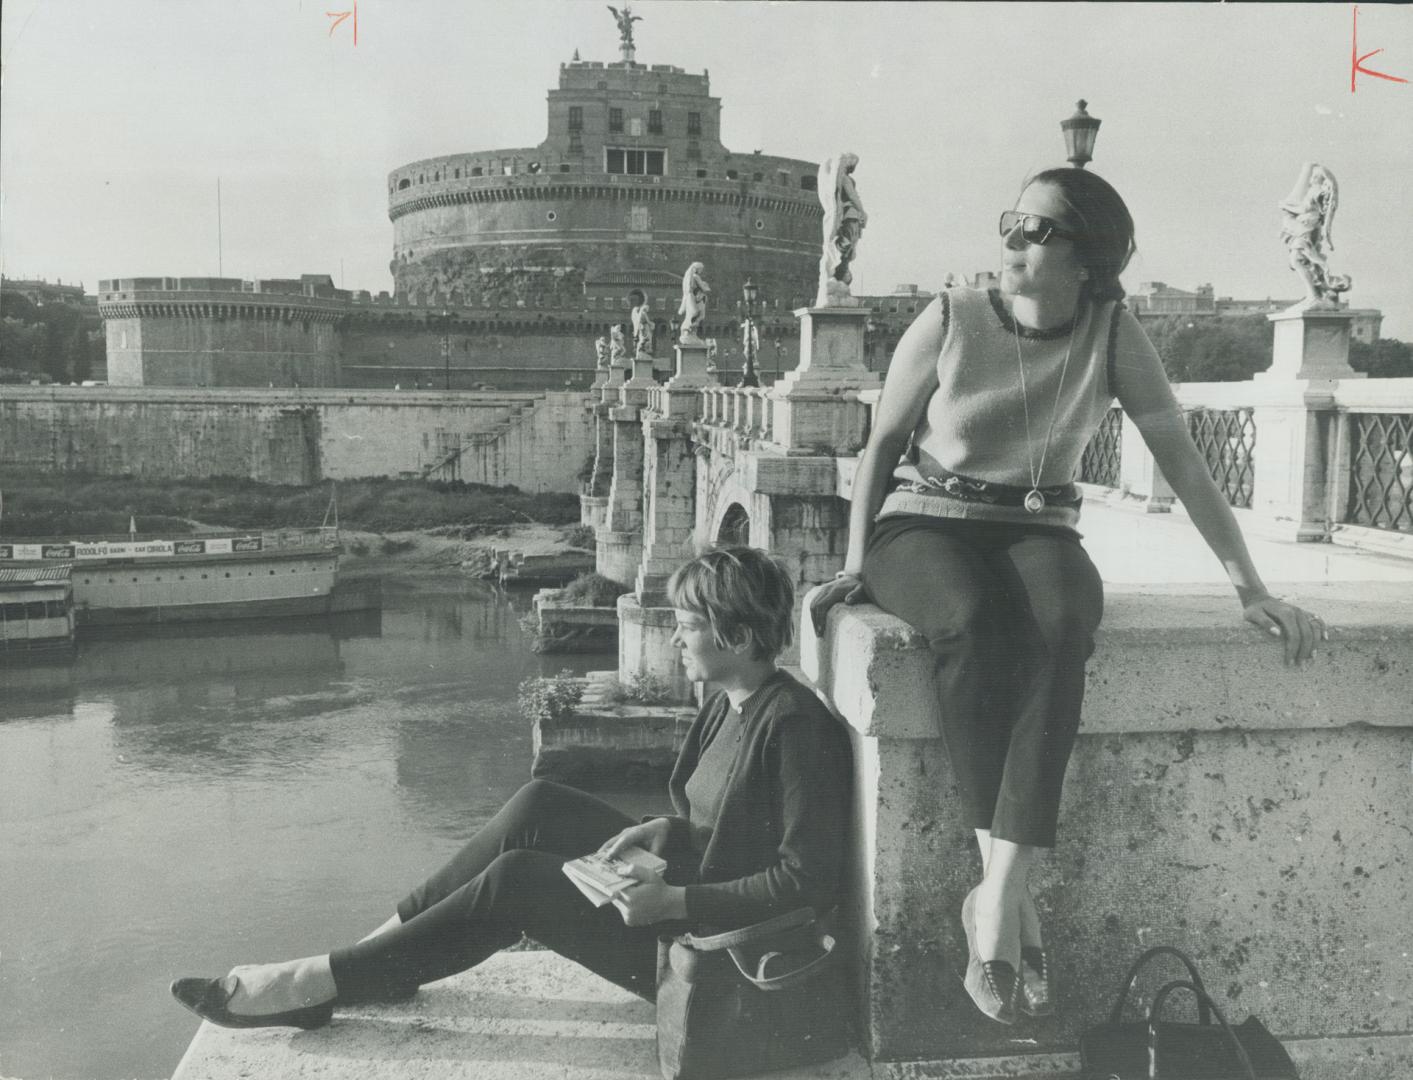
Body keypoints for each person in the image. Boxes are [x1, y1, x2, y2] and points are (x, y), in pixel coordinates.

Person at [809, 167, 1325, 1026]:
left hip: (1038, 526)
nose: (1011, 241)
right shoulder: (949, 316)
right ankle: (1008, 911)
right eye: (1009, 222)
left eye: (1035, 231)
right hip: (921, 523)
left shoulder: (1111, 329)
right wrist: (858, 562)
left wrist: (1251, 588)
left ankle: (994, 896)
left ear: (1087, 262)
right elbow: (882, 445)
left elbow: (1182, 462)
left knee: (1061, 626)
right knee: (969, 622)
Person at [171, 546, 852, 1030]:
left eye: (687, 625)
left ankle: (314, 984)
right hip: (696, 903)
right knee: (538, 805)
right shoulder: (730, 699)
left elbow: (809, 879)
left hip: (723, 959)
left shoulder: (793, 726)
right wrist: (664, 830)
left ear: (735, 634)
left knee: (520, 881)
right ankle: (376, 957)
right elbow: (726, 824)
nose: (673, 639)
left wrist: (676, 897)